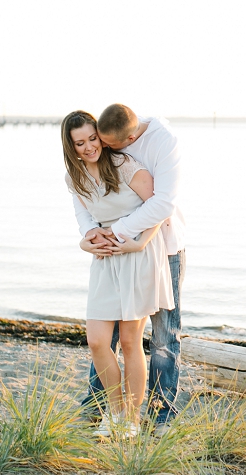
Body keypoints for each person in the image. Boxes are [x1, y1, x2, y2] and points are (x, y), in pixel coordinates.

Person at [61, 110, 174, 438]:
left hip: (138, 255)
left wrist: (139, 245)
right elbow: (83, 217)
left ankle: (133, 420)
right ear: (71, 146)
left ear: (101, 135)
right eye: (79, 143)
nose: (89, 147)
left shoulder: (124, 165)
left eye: (92, 138)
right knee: (97, 340)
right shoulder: (74, 177)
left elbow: (158, 208)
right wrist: (87, 242)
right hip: (105, 259)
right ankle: (115, 412)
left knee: (129, 341)